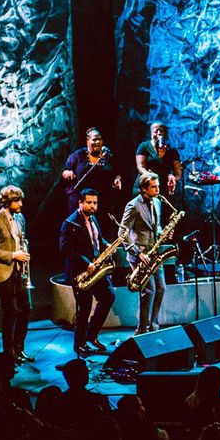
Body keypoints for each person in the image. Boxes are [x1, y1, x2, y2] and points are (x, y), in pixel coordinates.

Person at [59, 188, 115, 357]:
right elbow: (65, 249)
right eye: (89, 203)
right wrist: (86, 262)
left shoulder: (93, 218)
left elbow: (97, 239)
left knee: (108, 296)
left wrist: (106, 245)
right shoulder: (70, 223)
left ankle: (91, 335)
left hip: (96, 269)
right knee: (84, 308)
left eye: (95, 203)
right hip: (80, 272)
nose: (92, 206)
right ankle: (80, 344)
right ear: (80, 203)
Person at [0, 185, 32, 365]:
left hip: (20, 271)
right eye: (16, 201)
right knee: (10, 312)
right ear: (7, 202)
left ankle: (19, 349)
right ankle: (9, 354)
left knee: (26, 309)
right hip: (4, 272)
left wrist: (24, 254)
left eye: (20, 200)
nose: (20, 204)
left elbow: (21, 239)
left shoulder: (20, 218)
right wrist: (13, 255)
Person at [120, 172, 167, 334]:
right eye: (153, 187)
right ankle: (142, 329)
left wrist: (163, 234)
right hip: (139, 256)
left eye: (158, 186)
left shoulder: (158, 202)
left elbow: (156, 226)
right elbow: (122, 233)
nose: (157, 190)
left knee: (161, 289)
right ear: (143, 189)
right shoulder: (133, 205)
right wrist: (138, 253)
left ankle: (154, 326)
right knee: (149, 291)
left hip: (154, 254)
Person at [60, 127, 122, 216]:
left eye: (100, 139)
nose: (97, 142)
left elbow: (117, 172)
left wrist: (117, 179)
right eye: (95, 139)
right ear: (87, 141)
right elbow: (65, 171)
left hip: (102, 200)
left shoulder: (108, 156)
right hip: (80, 198)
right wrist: (68, 173)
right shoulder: (78, 155)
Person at [135, 121, 182, 196]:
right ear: (151, 133)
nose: (159, 133)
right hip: (146, 186)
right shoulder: (144, 146)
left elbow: (178, 173)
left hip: (163, 187)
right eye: (156, 131)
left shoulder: (171, 150)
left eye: (161, 131)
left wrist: (173, 178)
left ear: (165, 134)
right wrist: (149, 176)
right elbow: (140, 166)